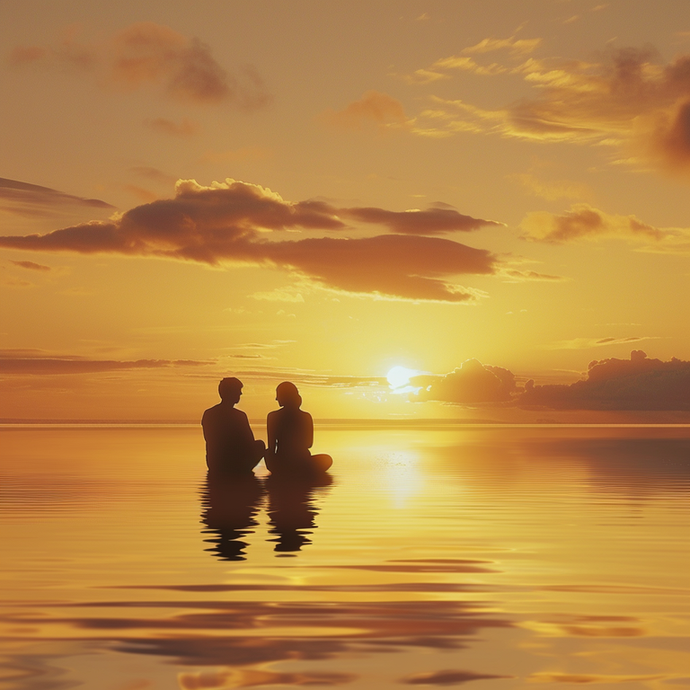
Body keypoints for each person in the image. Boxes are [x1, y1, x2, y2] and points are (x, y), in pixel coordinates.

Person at [265, 381, 333, 476]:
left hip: (283, 463)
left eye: (278, 395)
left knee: (267, 452)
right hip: (302, 461)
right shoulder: (306, 416)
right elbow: (309, 444)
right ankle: (301, 471)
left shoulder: (272, 416)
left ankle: (289, 471)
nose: (276, 399)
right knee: (326, 459)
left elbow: (271, 448)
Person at [202, 377, 265, 475]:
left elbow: (208, 439)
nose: (241, 394)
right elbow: (250, 442)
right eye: (238, 391)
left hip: (214, 464)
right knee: (260, 444)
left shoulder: (208, 413)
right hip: (235, 464)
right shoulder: (240, 416)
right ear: (230, 393)